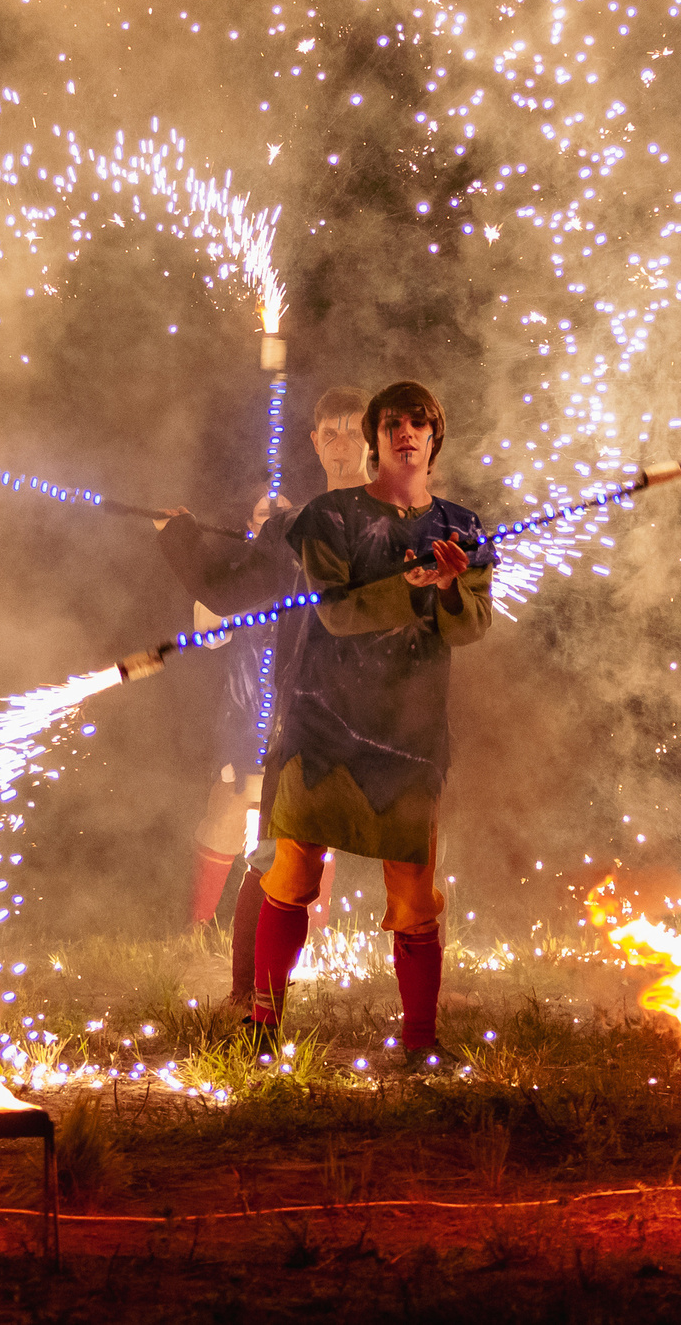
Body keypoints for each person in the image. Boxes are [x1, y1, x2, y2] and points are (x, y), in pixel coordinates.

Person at [250, 380, 492, 1064]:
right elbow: (336, 611)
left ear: (434, 438)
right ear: (373, 436)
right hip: (321, 723)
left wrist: (447, 585)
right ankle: (264, 1029)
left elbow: (473, 626)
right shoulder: (327, 516)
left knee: (415, 893)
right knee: (293, 873)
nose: (406, 431)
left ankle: (420, 1044)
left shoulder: (462, 527)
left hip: (409, 733)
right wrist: (409, 586)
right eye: (393, 422)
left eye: (420, 422)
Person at [154, 386, 372, 1004]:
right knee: (263, 832)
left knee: (329, 828)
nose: (341, 442)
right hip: (272, 706)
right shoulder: (287, 541)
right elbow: (220, 603)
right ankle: (248, 992)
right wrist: (187, 539)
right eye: (329, 431)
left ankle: (308, 949)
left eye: (353, 430)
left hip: (353, 705)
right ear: (313, 441)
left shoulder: (369, 518)